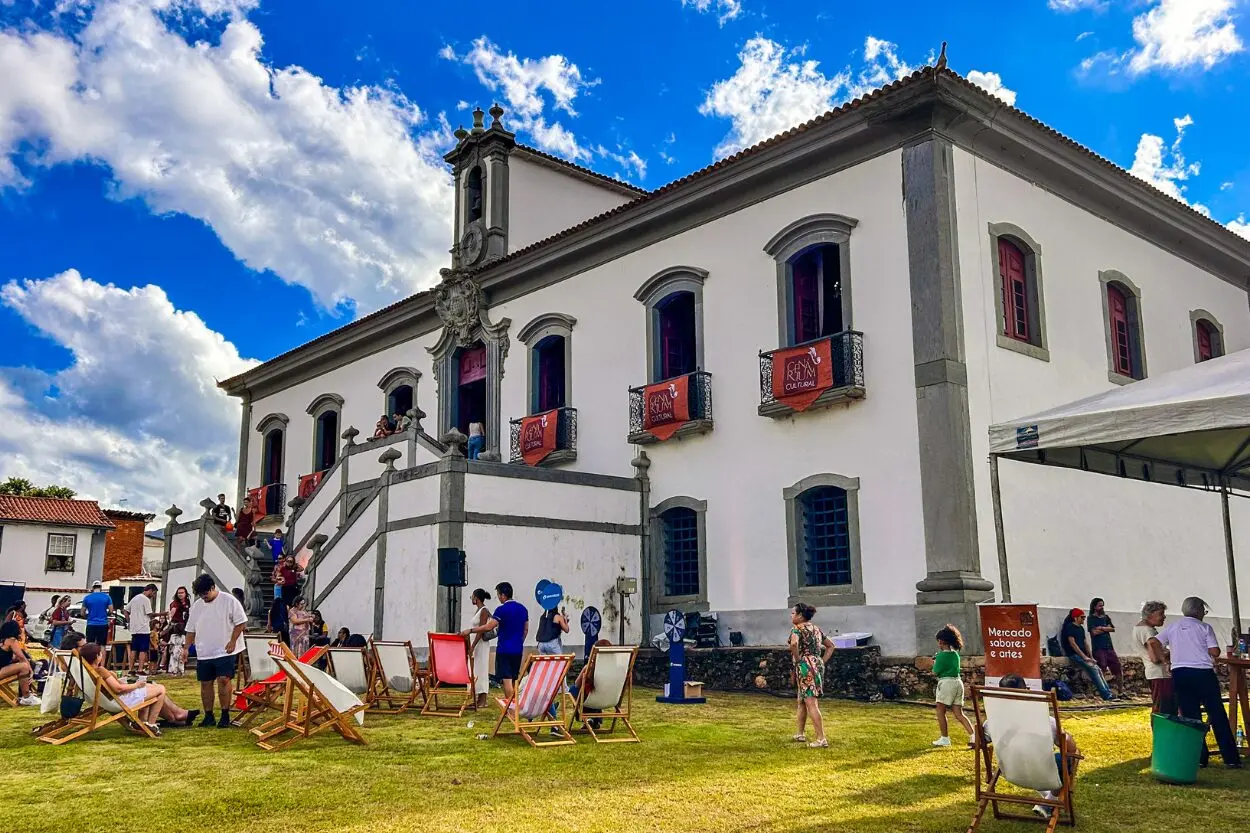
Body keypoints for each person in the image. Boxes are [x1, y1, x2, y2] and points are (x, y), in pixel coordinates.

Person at [1150, 596, 1242, 769]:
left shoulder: (1173, 627)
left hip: (1181, 673)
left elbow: (1153, 641)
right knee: (1216, 713)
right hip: (1202, 673)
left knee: (1190, 716)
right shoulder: (1204, 627)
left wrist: (1164, 661)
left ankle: (1199, 757)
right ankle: (1230, 757)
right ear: (1199, 611)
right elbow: (1214, 651)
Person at [996, 673, 1081, 819]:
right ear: (1027, 691)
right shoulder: (1046, 721)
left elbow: (980, 741)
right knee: (1069, 757)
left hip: (1011, 771)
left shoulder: (993, 721)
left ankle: (1047, 797)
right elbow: (1070, 748)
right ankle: (1049, 802)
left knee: (1030, 757)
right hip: (1041, 773)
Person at [78, 642, 198, 733]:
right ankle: (150, 723)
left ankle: (148, 720)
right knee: (160, 689)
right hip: (120, 700)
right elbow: (118, 689)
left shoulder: (87, 671)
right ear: (97, 656)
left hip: (111, 699)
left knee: (152, 687)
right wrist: (136, 685)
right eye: (100, 653)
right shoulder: (100, 670)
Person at [183, 573, 248, 728]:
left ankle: (225, 715)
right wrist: (186, 648)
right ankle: (209, 715)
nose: (204, 597)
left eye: (206, 593)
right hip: (205, 651)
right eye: (201, 594)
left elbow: (241, 623)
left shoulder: (229, 601)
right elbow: (190, 630)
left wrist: (232, 641)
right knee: (205, 683)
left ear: (213, 588)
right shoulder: (197, 606)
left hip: (225, 650)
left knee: (224, 680)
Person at [463, 582, 527, 701]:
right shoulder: (523, 609)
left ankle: (512, 707)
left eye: (498, 594)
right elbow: (526, 629)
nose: (498, 597)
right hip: (518, 649)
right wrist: (520, 642)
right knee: (513, 678)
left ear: (503, 595)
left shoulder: (501, 610)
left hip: (504, 648)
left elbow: (488, 627)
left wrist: (471, 630)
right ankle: (515, 705)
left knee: (506, 679)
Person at [789, 603, 835, 748]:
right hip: (815, 664)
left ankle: (821, 738)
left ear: (800, 615)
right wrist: (821, 661)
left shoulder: (797, 629)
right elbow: (831, 646)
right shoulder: (816, 629)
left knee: (810, 702)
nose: (791, 616)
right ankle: (800, 733)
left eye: (793, 613)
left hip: (805, 665)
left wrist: (798, 660)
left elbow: (794, 645)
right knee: (802, 699)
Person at [931, 624, 976, 748]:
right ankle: (973, 735)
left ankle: (945, 738)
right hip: (958, 683)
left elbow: (935, 671)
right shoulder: (955, 654)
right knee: (958, 712)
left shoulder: (940, 656)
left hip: (946, 683)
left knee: (940, 710)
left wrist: (934, 663)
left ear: (941, 641)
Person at [1059, 608, 1113, 700]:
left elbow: (1085, 643)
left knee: (1098, 669)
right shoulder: (1070, 627)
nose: (1083, 619)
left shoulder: (1080, 628)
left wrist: (1091, 657)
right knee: (1093, 670)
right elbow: (1073, 644)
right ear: (1075, 618)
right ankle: (1106, 695)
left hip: (1083, 655)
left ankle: (1108, 692)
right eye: (1082, 617)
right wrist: (1084, 657)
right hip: (1074, 654)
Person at [1132, 601, 1174, 716]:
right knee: (1162, 708)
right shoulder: (1147, 631)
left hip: (1155, 673)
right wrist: (1168, 655)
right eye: (1161, 614)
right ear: (1150, 615)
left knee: (1161, 706)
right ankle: (1160, 731)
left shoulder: (1139, 628)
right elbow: (1155, 655)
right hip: (1159, 673)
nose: (1164, 617)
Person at [535, 603, 570, 722]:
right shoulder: (557, 616)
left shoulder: (542, 616)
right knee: (560, 666)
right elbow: (566, 630)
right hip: (552, 643)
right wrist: (565, 620)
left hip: (541, 644)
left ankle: (546, 686)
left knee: (545, 668)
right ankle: (562, 688)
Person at [569, 638, 613, 729]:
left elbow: (577, 684)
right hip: (610, 699)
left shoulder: (589, 668)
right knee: (593, 691)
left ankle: (588, 718)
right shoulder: (616, 669)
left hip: (592, 700)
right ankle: (595, 719)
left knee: (573, 690)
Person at [466, 589, 493, 709]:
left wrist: (473, 646)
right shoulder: (478, 610)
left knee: (481, 669)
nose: (471, 599)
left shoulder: (484, 611)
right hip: (475, 642)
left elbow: (482, 630)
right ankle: (477, 698)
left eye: (472, 596)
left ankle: (483, 699)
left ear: (476, 597)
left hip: (480, 644)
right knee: (475, 669)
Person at [0, 620, 38, 705]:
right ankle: (26, 697)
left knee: (22, 665)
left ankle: (26, 695)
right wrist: (31, 671)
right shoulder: (12, 640)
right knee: (24, 666)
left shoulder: (3, 641)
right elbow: (22, 657)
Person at [1086, 598, 1122, 688]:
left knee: (1117, 669)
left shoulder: (1106, 617)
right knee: (1102, 669)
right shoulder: (1091, 618)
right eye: (1100, 606)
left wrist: (1102, 628)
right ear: (1094, 607)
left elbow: (1112, 629)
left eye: (1102, 605)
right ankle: (1104, 691)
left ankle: (1121, 691)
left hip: (1109, 647)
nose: (1102, 607)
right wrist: (1106, 629)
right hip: (1098, 648)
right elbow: (1094, 632)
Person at [125, 583, 158, 674]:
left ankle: (130, 669)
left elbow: (126, 610)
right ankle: (140, 669)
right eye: (154, 593)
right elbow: (150, 614)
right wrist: (162, 614)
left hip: (134, 628)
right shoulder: (146, 600)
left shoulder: (135, 598)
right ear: (150, 590)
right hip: (143, 628)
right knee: (143, 650)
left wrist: (129, 621)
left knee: (134, 649)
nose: (153, 596)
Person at [82, 582, 113, 647]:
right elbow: (111, 610)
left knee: (90, 645)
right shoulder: (107, 597)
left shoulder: (87, 598)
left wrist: (87, 616)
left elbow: (82, 613)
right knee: (102, 645)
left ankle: (91, 657)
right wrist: (106, 614)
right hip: (103, 624)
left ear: (93, 588)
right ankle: (103, 657)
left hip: (91, 624)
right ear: (101, 588)